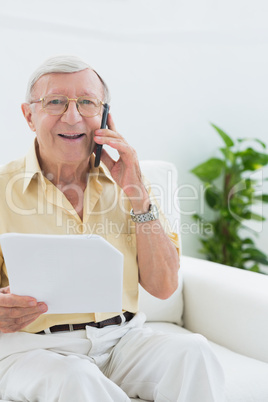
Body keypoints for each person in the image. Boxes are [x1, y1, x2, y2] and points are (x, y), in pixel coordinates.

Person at [0, 55, 225, 401]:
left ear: (104, 116)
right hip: (33, 348)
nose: (72, 116)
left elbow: (164, 286)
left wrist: (137, 195)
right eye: (55, 102)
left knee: (193, 352)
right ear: (29, 115)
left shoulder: (130, 183)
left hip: (122, 339)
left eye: (87, 103)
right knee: (73, 377)